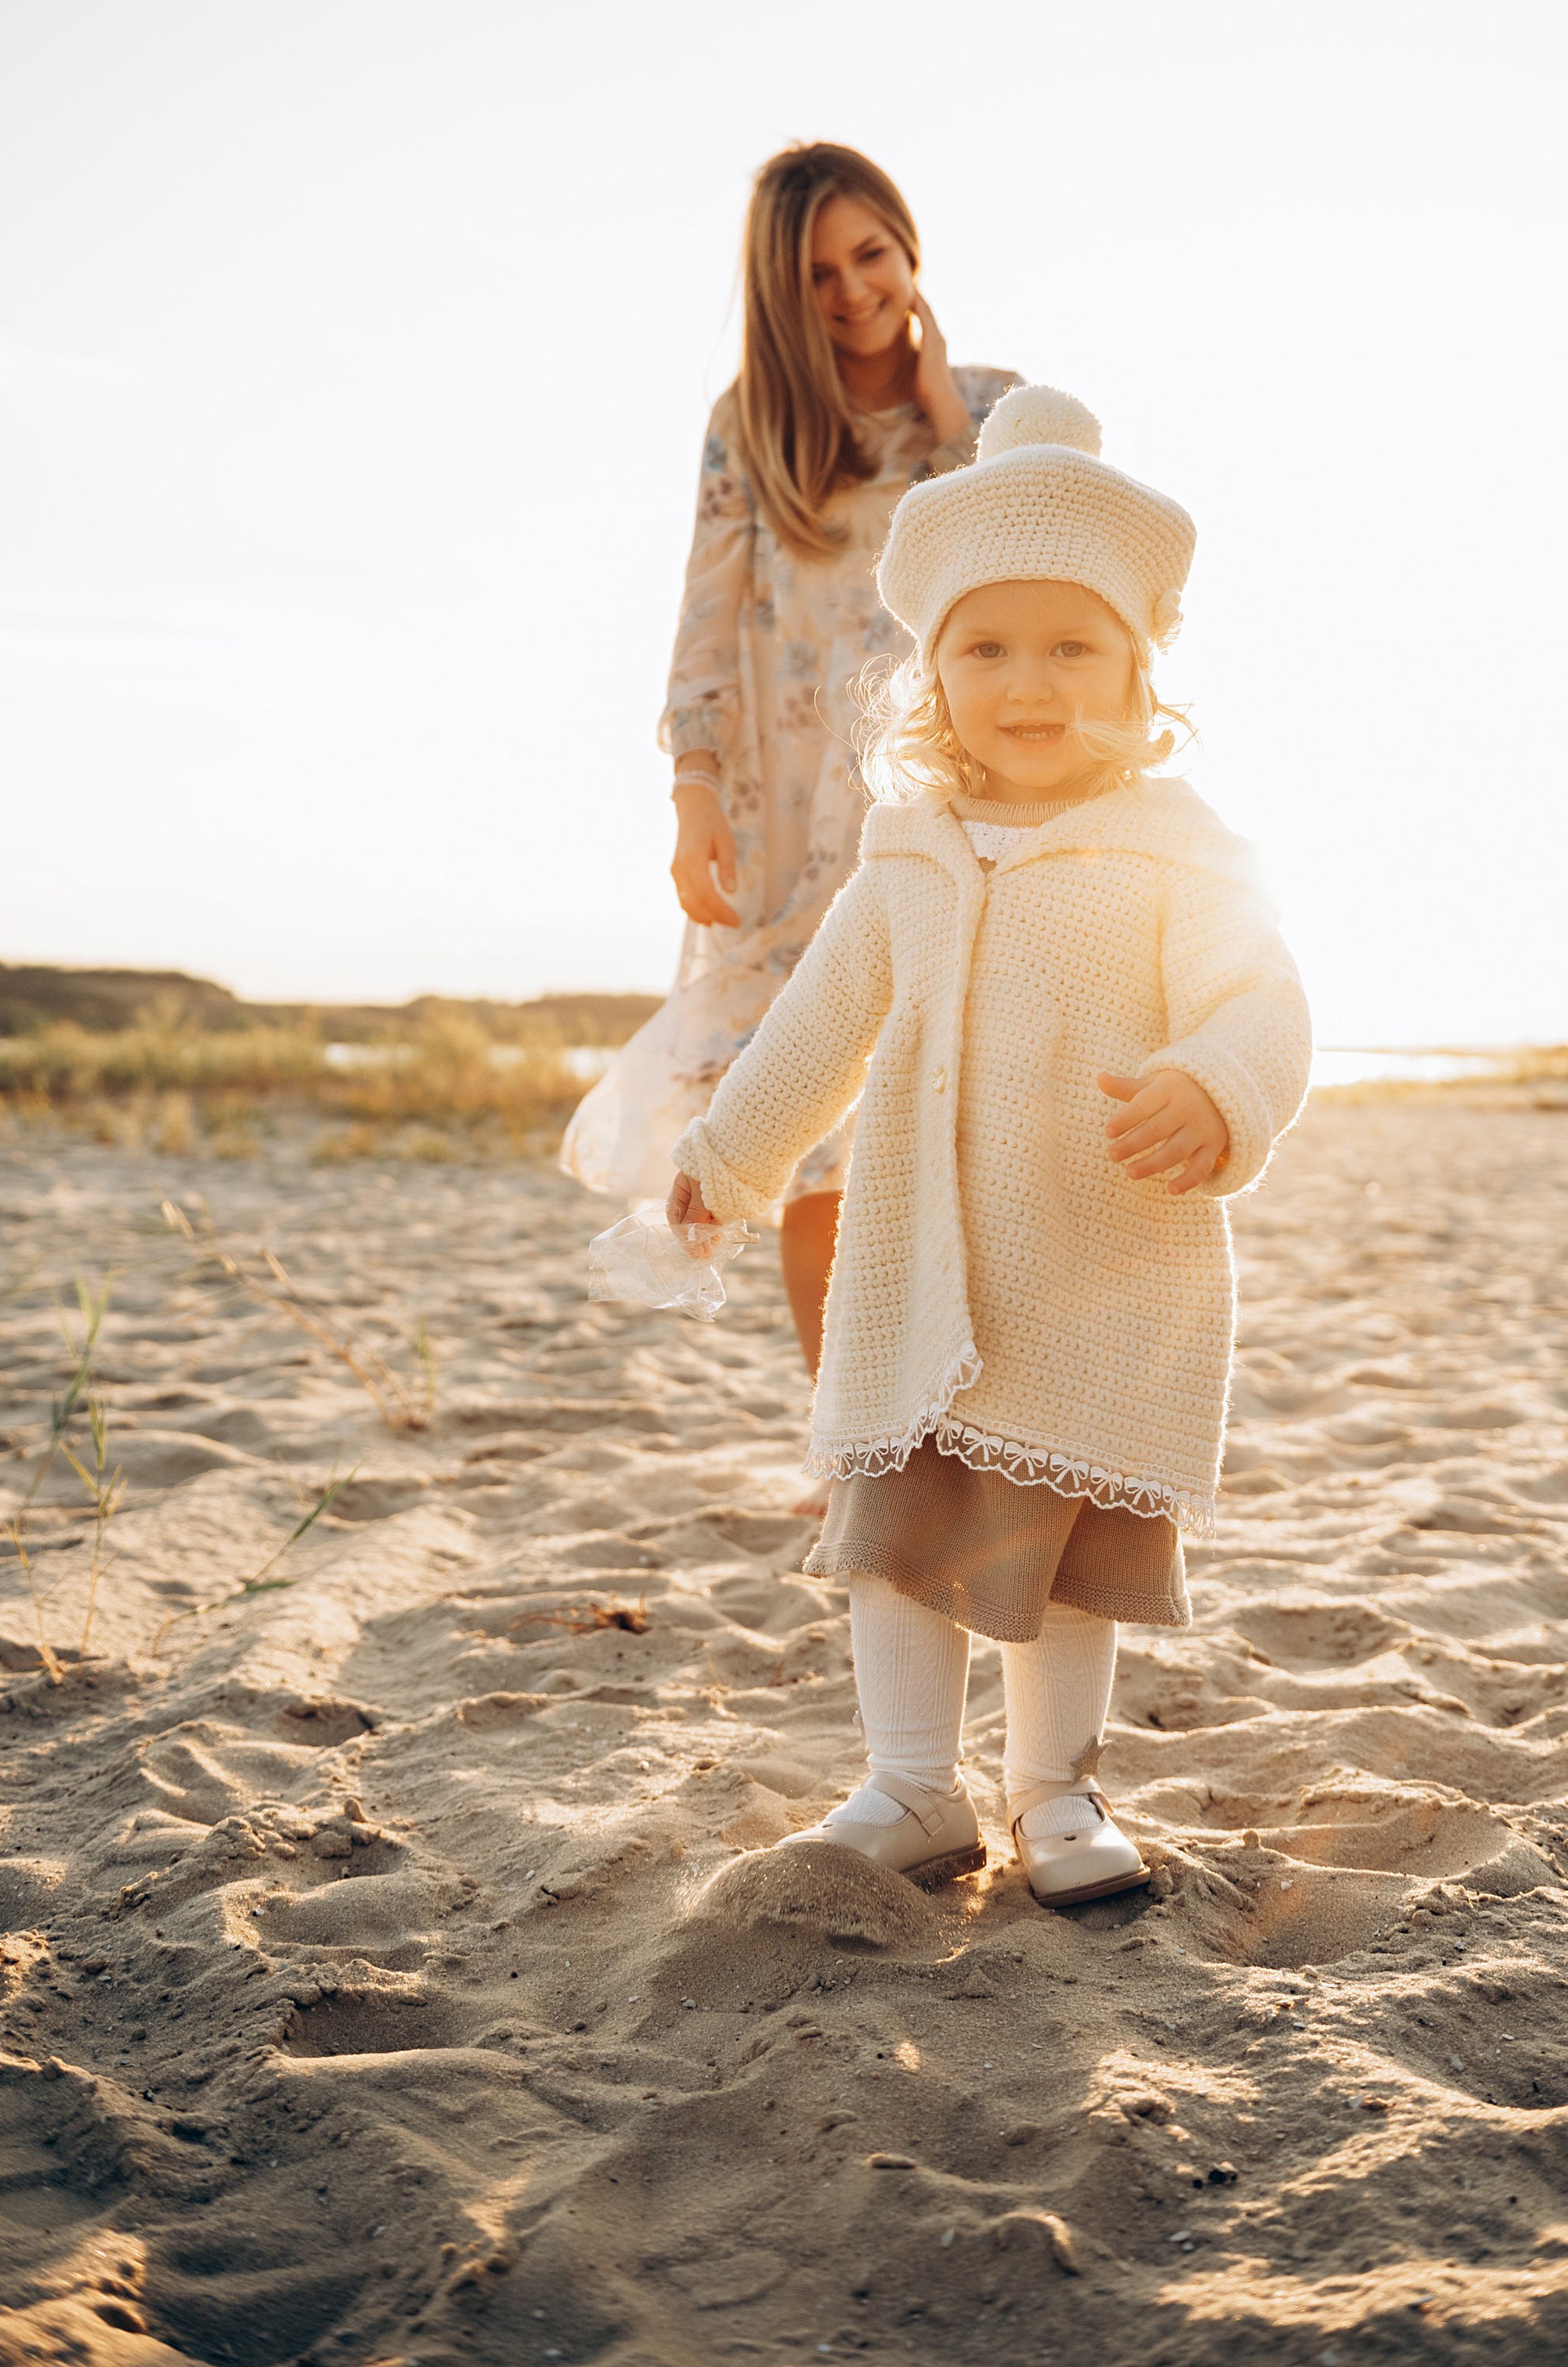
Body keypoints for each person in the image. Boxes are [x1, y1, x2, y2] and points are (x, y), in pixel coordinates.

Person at [666, 384, 1312, 1905]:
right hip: (917, 1268)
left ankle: (1056, 1793)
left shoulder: (1179, 844)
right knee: (894, 1534)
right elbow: (816, 1027)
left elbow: (1262, 995)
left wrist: (1218, 1082)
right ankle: (906, 1786)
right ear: (932, 670)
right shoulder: (906, 847)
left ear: (1139, 670)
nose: (1030, 685)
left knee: (1063, 1545)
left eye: (1073, 647)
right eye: (986, 647)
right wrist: (729, 1152)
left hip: (1093, 1275)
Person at [562, 143, 1013, 1373]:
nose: (853, 289)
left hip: (949, 794)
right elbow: (704, 622)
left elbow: (1031, 558)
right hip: (788, 813)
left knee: (948, 1110)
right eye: (817, 273)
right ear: (780, 288)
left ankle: (950, 1417)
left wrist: (941, 413)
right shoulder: (749, 427)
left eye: (871, 253)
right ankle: (845, 1435)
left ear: (911, 245)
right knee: (811, 1124)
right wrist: (692, 796)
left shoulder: (994, 408)